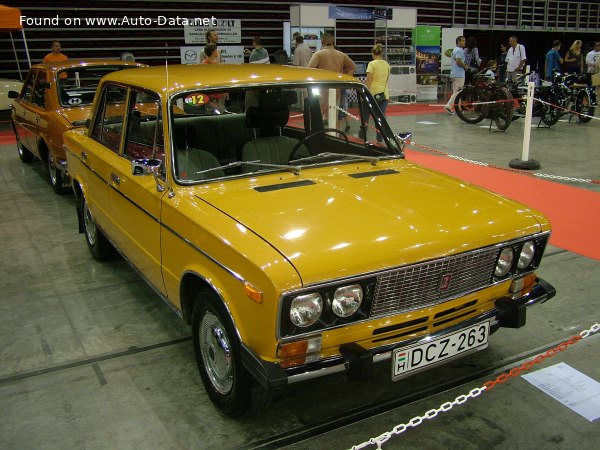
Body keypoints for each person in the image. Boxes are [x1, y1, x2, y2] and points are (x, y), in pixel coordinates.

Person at [308, 34, 356, 130]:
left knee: (317, 118)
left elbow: (309, 69)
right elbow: (353, 66)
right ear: (333, 42)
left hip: (321, 91)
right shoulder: (341, 55)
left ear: (322, 42)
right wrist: (345, 79)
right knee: (334, 119)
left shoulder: (318, 54)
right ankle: (335, 139)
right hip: (336, 90)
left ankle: (317, 139)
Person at [365, 43, 391, 143]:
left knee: (366, 115)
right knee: (381, 118)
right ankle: (380, 139)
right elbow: (386, 81)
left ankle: (363, 135)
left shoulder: (372, 64)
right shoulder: (387, 65)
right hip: (384, 95)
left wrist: (364, 93)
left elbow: (368, 80)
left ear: (373, 53)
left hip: (372, 94)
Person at [444, 35, 469, 114]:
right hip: (459, 74)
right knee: (458, 92)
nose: (464, 42)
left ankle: (458, 109)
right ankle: (448, 105)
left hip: (455, 73)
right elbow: (458, 61)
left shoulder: (454, 50)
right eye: (463, 41)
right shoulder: (459, 50)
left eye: (465, 41)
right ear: (458, 41)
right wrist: (465, 66)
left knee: (457, 91)